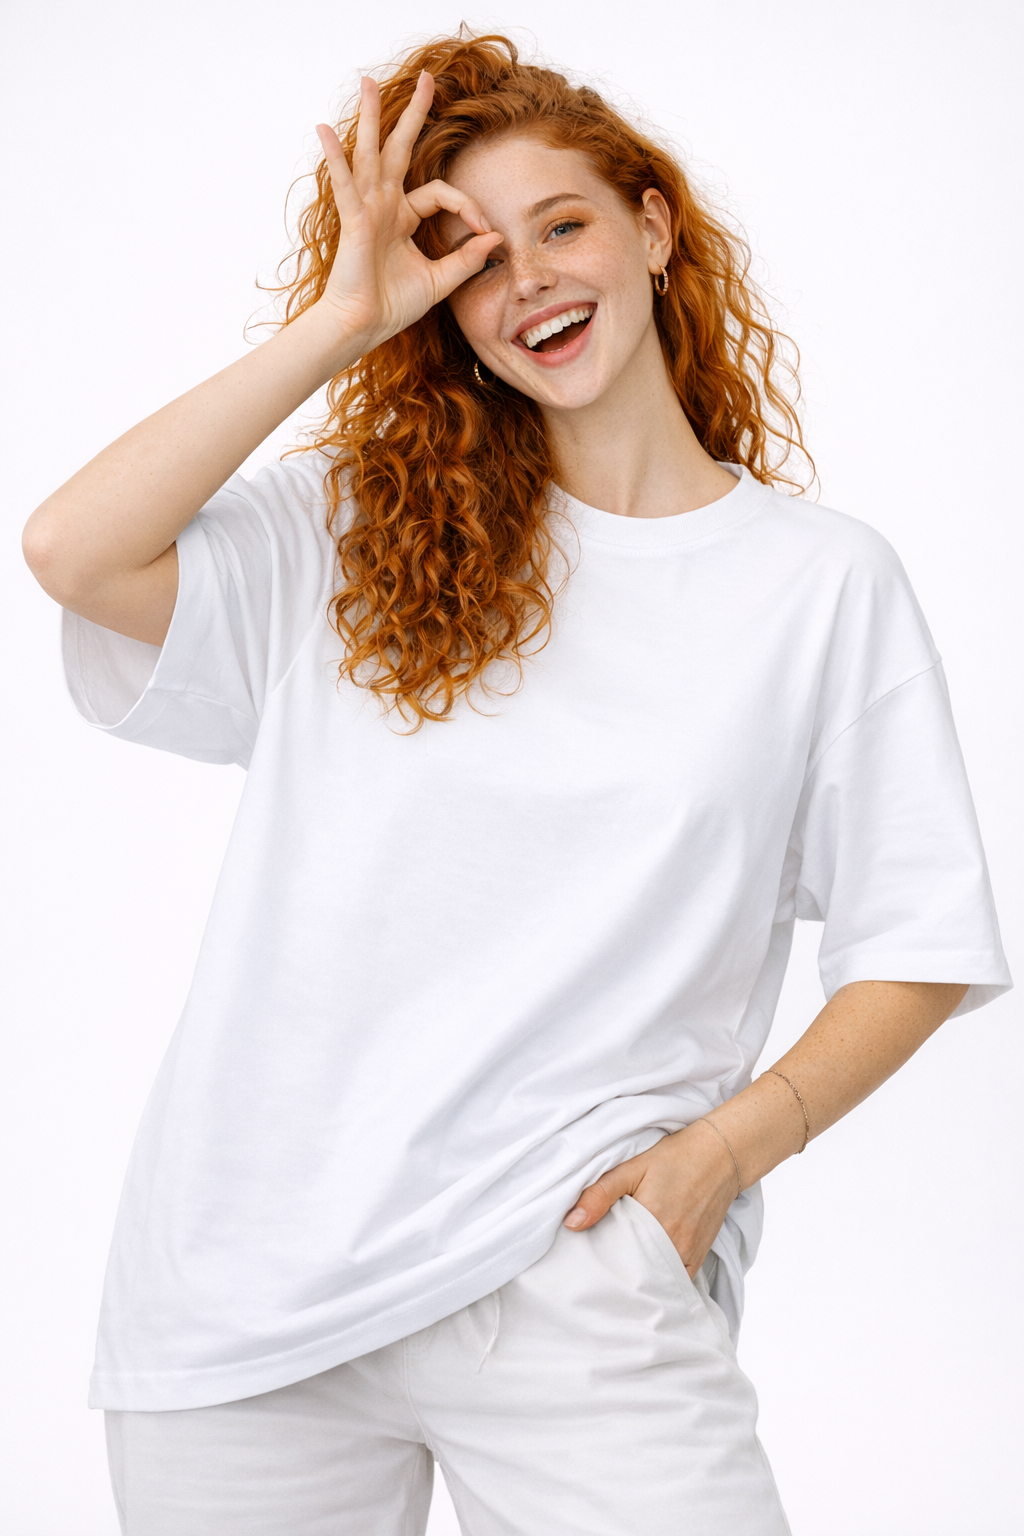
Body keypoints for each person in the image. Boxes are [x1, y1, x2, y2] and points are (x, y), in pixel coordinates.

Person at [22, 30, 1010, 1536]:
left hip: (581, 1273)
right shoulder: (349, 533)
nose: (531, 281)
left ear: (653, 228)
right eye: (476, 256)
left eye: (563, 226)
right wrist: (343, 320)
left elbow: (918, 943)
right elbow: (73, 552)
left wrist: (721, 1157)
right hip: (247, 1290)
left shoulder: (817, 586)